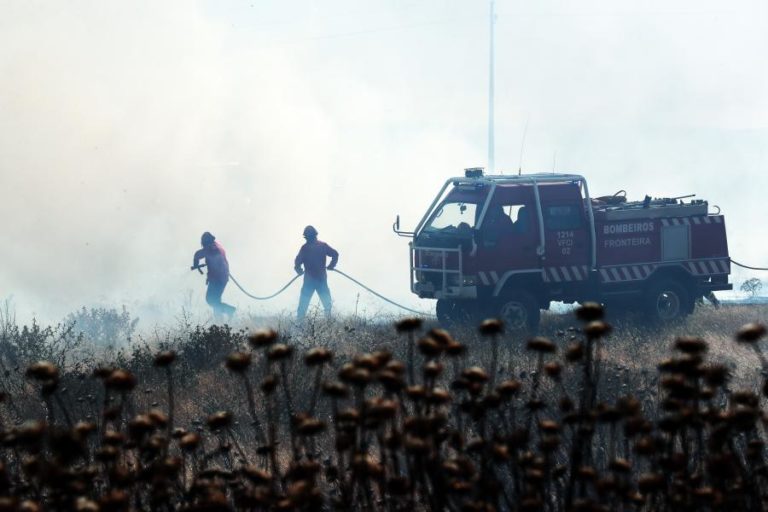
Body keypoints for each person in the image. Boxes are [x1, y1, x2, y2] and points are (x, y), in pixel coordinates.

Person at [294, 225, 339, 321]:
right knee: (327, 306)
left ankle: (299, 327)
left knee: (302, 308)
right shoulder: (322, 246)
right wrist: (331, 265)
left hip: (309, 282)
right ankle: (329, 325)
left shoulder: (305, 248)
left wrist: (298, 270)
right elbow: (335, 254)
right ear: (315, 235)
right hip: (321, 280)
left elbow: (297, 263)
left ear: (306, 237)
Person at [192, 232, 236, 320]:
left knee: (210, 300)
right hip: (222, 277)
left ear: (205, 242)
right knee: (216, 300)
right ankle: (219, 322)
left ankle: (229, 310)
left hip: (217, 279)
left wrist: (195, 264)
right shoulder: (217, 246)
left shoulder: (210, 248)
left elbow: (197, 255)